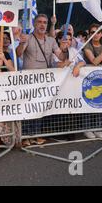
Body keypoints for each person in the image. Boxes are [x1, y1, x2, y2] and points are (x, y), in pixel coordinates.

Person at [16, 14, 63, 146]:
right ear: (34, 24)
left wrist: (64, 48)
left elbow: (61, 55)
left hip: (44, 81)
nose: (42, 25)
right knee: (27, 107)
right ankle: (25, 136)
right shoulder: (28, 38)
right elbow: (18, 54)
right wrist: (21, 43)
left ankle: (36, 135)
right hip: (28, 80)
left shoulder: (51, 41)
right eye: (40, 22)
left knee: (39, 107)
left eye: (45, 22)